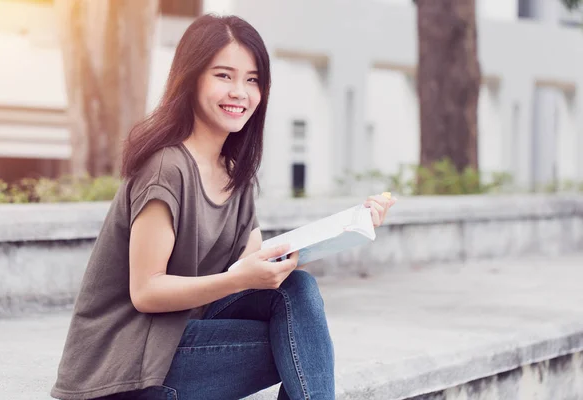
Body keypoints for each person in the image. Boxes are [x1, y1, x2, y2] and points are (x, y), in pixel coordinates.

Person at [51, 14, 396, 400]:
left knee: (297, 291)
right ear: (191, 78)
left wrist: (349, 225)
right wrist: (241, 279)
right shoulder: (166, 167)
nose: (240, 92)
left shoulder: (237, 175)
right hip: (125, 364)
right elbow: (146, 291)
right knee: (303, 347)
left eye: (252, 80)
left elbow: (255, 266)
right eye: (224, 75)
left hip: (181, 340)